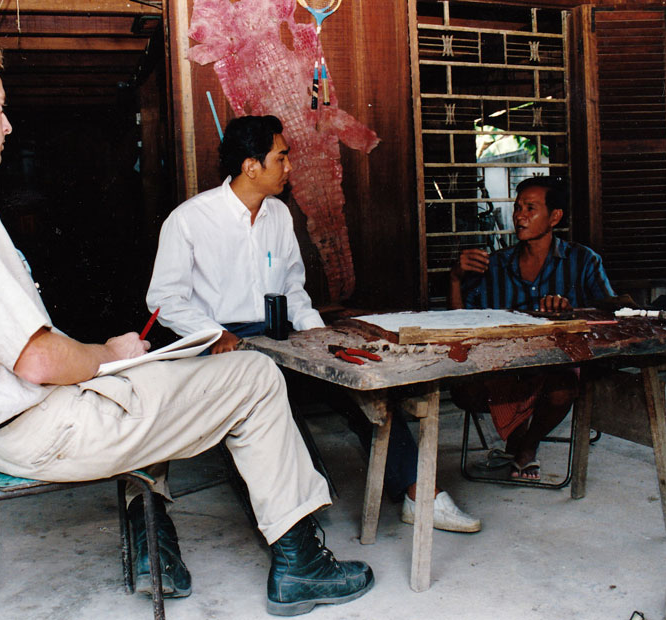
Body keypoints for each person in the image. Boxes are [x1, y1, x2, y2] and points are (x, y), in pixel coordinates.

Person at [0, 33, 374, 617]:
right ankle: (301, 568)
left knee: (159, 377)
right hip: (45, 428)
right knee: (254, 378)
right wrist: (109, 353)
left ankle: (153, 543)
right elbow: (37, 359)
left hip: (6, 426)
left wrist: (122, 361)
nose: (7, 125)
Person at [147, 115, 480, 533]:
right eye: (281, 158)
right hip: (220, 341)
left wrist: (316, 334)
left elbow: (292, 286)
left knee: (360, 378)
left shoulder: (279, 216)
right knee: (271, 404)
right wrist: (216, 333)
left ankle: (420, 495)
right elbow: (164, 299)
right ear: (252, 166)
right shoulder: (190, 219)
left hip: (278, 331)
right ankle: (296, 520)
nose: (289, 168)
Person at [448, 175, 615, 480]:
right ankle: (517, 436)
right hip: (504, 369)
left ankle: (527, 445)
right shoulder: (495, 265)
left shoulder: (583, 261)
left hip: (555, 369)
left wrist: (570, 313)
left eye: (530, 208)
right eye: (517, 208)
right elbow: (458, 324)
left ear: (554, 217)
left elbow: (610, 317)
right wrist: (456, 278)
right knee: (463, 390)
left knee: (564, 387)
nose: (519, 216)